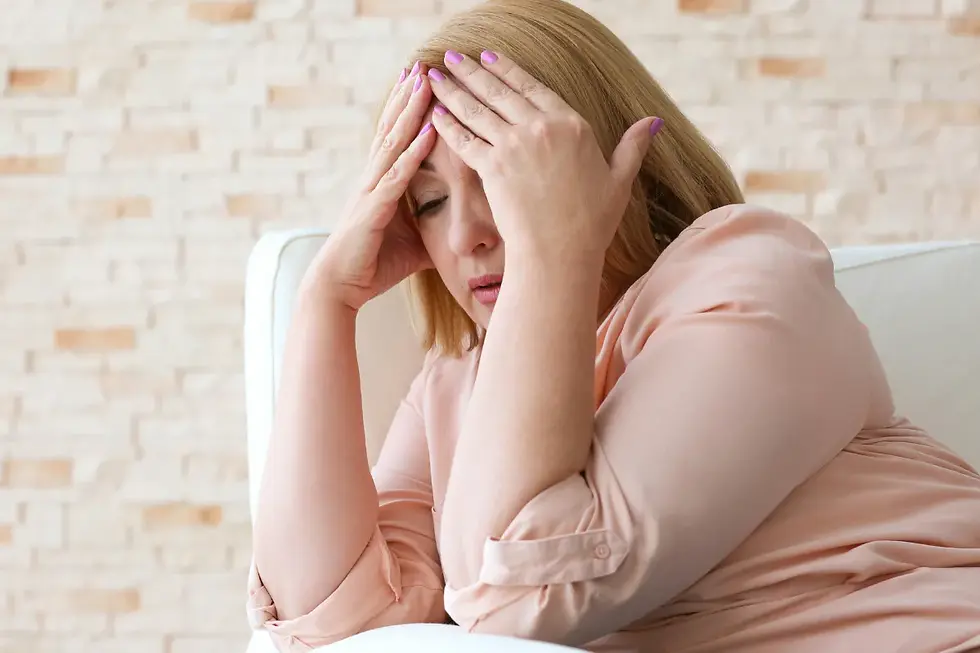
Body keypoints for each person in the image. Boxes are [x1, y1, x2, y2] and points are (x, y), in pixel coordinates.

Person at [246, 1, 980, 651]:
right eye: (430, 202)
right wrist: (325, 304)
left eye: (501, 176)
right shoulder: (454, 388)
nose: (467, 232)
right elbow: (343, 625)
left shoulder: (749, 276)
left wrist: (555, 248)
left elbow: (520, 598)